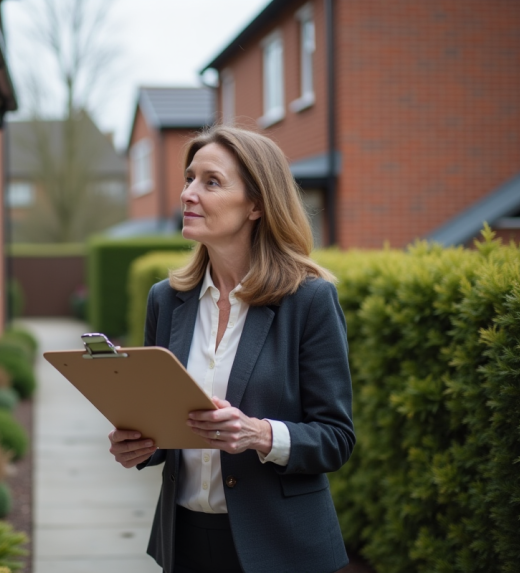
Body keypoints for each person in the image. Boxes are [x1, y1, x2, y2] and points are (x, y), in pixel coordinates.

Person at [108, 125, 355, 573]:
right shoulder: (165, 299)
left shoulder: (310, 300)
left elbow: (336, 439)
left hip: (281, 547)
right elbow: (164, 426)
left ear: (257, 204)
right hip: (183, 541)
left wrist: (258, 434)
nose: (188, 193)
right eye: (189, 178)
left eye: (211, 181)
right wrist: (141, 447)